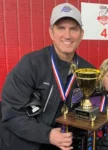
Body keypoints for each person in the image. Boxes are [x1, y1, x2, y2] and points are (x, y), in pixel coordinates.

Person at [0, 3, 95, 150]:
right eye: (61, 28)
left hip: (60, 143)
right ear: (51, 32)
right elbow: (11, 114)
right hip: (20, 143)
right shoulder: (30, 64)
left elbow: (93, 105)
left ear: (81, 34)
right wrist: (48, 134)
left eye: (73, 29)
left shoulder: (87, 71)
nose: (67, 35)